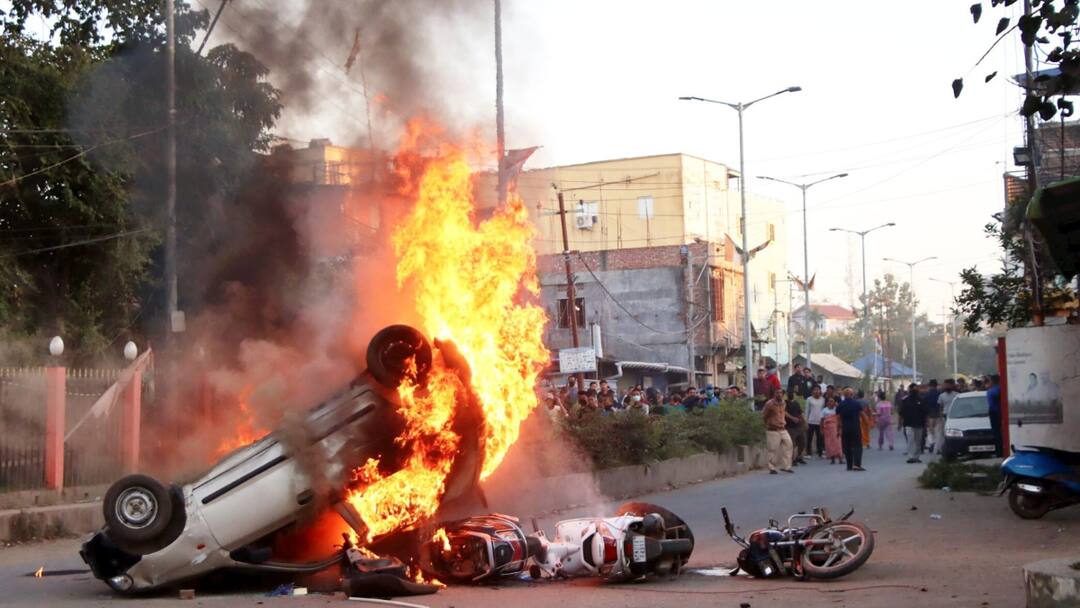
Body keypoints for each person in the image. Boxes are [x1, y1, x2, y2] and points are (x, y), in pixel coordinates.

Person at [762, 388, 795, 474]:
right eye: (777, 393)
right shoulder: (769, 404)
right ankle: (772, 467)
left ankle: (786, 466)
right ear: (774, 394)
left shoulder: (783, 403)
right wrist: (766, 424)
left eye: (781, 393)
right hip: (773, 429)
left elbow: (784, 413)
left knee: (788, 445)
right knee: (772, 449)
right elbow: (764, 415)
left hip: (783, 428)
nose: (779, 394)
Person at [836, 388, 866, 471]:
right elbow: (862, 414)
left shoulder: (840, 405)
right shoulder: (856, 404)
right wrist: (867, 424)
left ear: (844, 395)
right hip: (855, 427)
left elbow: (838, 418)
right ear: (852, 395)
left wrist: (838, 429)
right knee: (857, 445)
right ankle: (856, 464)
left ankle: (849, 465)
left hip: (845, 428)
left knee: (847, 446)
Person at [899, 383, 928, 463]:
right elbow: (901, 413)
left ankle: (916, 457)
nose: (914, 391)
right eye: (912, 389)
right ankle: (911, 457)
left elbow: (925, 412)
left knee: (918, 441)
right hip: (909, 424)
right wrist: (900, 423)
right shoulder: (905, 400)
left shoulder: (922, 400)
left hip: (919, 424)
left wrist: (926, 423)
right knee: (911, 440)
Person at [936, 379, 959, 454]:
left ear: (952, 385)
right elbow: (940, 407)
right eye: (945, 385)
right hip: (945, 416)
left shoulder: (957, 395)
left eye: (948, 385)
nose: (946, 386)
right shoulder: (941, 396)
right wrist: (940, 417)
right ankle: (941, 448)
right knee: (943, 433)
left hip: (955, 416)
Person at [786, 395, 809, 465]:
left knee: (803, 442)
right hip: (790, 426)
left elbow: (800, 413)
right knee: (792, 444)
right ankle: (792, 460)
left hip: (799, 425)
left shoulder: (796, 403)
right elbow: (784, 412)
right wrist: (792, 418)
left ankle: (799, 457)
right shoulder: (784, 403)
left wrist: (805, 422)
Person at [821, 397, 844, 464]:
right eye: (829, 401)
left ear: (834, 403)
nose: (831, 402)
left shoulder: (837, 409)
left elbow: (839, 420)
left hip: (836, 428)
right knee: (829, 444)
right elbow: (822, 420)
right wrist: (821, 429)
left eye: (832, 401)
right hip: (828, 429)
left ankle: (840, 459)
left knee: (838, 443)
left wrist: (840, 429)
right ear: (827, 403)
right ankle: (832, 458)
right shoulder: (824, 410)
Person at [805, 385, 826, 458]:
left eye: (818, 389)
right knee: (809, 438)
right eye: (815, 389)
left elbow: (823, 411)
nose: (816, 391)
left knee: (820, 438)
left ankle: (820, 452)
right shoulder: (809, 399)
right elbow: (807, 411)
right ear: (812, 391)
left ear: (820, 391)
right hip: (811, 421)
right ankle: (808, 453)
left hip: (820, 422)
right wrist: (806, 421)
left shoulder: (823, 399)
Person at [986, 374, 1003, 457]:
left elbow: (992, 405)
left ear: (992, 381)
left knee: (996, 433)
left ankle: (999, 452)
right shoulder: (1002, 389)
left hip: (994, 413)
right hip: (1002, 412)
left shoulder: (991, 391)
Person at [923, 379, 941, 453]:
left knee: (930, 431)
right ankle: (938, 447)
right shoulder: (940, 394)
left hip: (929, 415)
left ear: (929, 386)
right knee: (938, 431)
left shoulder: (927, 394)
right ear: (936, 385)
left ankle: (932, 443)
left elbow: (924, 405)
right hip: (938, 414)